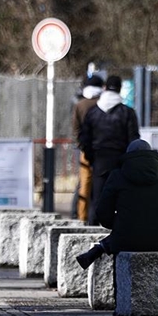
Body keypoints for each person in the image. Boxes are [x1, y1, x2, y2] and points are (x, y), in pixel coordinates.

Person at [76, 139, 158, 269]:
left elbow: (102, 213)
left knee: (121, 240)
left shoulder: (117, 176)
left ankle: (101, 250)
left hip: (124, 237)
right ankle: (102, 247)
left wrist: (119, 224)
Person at [79, 75, 140, 225]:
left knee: (97, 197)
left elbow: (84, 138)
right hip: (120, 160)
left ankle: (93, 229)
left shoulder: (93, 112)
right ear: (120, 89)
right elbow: (134, 139)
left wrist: (90, 157)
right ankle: (118, 230)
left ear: (105, 88)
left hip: (98, 159)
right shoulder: (127, 112)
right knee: (120, 198)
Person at [72, 75, 104, 221]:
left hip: (85, 150)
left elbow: (76, 129)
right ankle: (100, 217)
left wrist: (82, 146)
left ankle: (82, 217)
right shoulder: (103, 104)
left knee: (84, 184)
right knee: (102, 183)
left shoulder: (80, 105)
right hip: (104, 151)